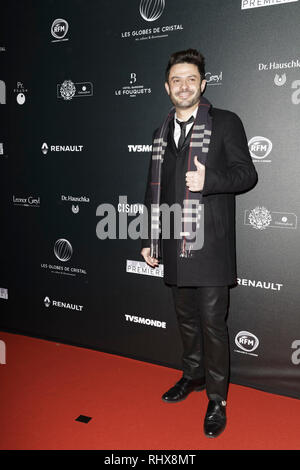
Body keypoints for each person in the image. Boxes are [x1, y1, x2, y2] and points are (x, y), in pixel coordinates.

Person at [141, 49, 258, 438]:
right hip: (174, 244)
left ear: (203, 83)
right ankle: (191, 376)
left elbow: (246, 175)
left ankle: (217, 398)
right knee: (187, 320)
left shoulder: (225, 123)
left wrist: (209, 181)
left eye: (191, 78)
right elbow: (152, 192)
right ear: (166, 87)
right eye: (177, 79)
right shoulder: (160, 133)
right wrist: (149, 238)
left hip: (210, 247)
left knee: (212, 324)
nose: (184, 85)